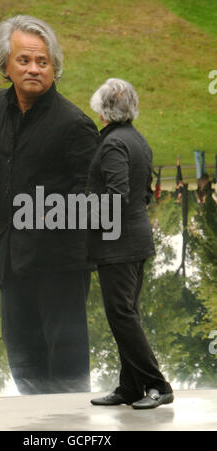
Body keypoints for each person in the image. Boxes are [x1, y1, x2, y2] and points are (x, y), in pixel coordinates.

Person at [0, 15, 98, 395]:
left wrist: (39, 217)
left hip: (59, 265)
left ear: (54, 68)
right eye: (24, 60)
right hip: (9, 261)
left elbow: (96, 198)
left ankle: (71, 433)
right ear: (5, 65)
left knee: (66, 370)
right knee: (23, 363)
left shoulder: (74, 124)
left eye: (42, 62)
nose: (33, 69)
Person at [86, 78, 173, 409]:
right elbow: (144, 192)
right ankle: (130, 387)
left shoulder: (112, 144)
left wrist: (83, 209)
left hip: (118, 245)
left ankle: (157, 384)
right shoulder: (137, 140)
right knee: (126, 313)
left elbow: (117, 196)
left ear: (102, 109)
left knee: (121, 314)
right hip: (134, 240)